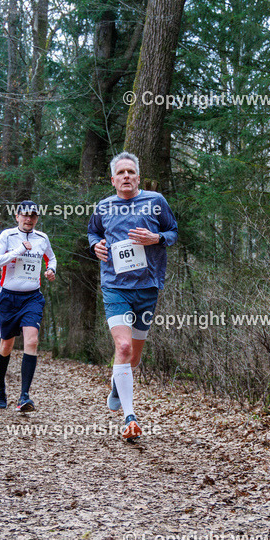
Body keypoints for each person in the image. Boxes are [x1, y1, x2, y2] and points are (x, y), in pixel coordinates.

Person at [87, 152, 178, 440]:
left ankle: (117, 384)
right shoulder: (103, 207)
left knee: (134, 357)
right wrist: (95, 247)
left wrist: (157, 238)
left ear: (138, 177)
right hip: (115, 285)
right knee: (123, 347)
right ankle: (130, 418)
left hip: (148, 286)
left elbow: (173, 232)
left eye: (131, 172)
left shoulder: (156, 202)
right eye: (121, 172)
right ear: (112, 179)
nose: (126, 176)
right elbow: (93, 233)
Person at [0, 201, 57, 412]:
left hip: (32, 298)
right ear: (17, 216)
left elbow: (51, 258)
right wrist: (17, 251)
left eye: (33, 216)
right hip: (8, 297)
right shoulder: (7, 236)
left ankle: (24, 396)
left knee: (32, 340)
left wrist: (51, 270)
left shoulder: (42, 238)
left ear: (37, 218)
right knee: (6, 346)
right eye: (25, 215)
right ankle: (0, 385)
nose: (29, 219)